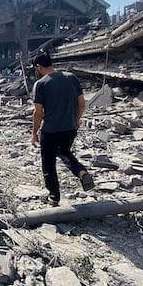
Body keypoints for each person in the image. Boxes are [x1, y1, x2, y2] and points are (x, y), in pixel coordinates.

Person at [31, 53, 94, 207]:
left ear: (38, 67)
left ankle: (54, 197)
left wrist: (34, 133)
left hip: (51, 131)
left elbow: (38, 112)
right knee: (64, 152)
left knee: (48, 164)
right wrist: (77, 119)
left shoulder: (40, 84)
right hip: (69, 128)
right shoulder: (70, 77)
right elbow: (82, 103)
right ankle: (81, 172)